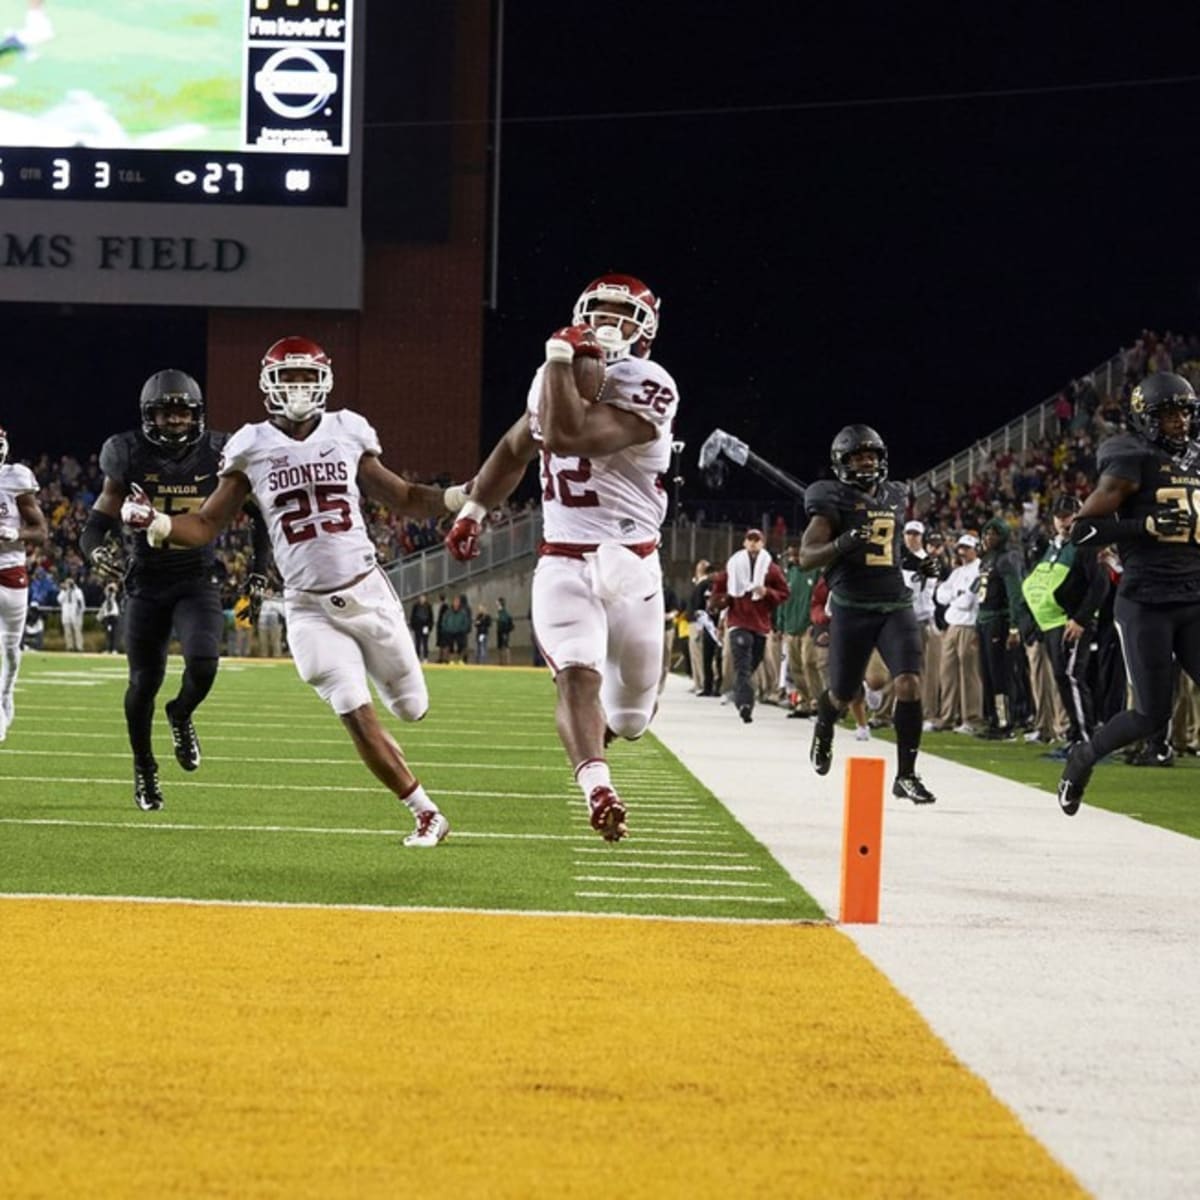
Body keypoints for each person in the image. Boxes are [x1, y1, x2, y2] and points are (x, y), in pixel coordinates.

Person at [121, 335, 454, 848]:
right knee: (352, 708)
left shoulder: (347, 431)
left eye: (306, 377)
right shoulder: (251, 445)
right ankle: (424, 811)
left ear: (324, 381)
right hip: (306, 606)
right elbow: (208, 523)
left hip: (367, 592)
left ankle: (408, 736)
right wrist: (159, 522)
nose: (297, 388)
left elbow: (405, 496)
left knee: (412, 708)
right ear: (267, 384)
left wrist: (458, 498)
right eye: (288, 378)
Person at [443, 273, 678, 842]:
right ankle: (598, 787)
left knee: (630, 718)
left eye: (624, 314)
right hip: (564, 559)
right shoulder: (551, 380)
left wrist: (556, 359)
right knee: (575, 674)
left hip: (633, 564)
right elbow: (513, 448)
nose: (610, 322)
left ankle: (607, 738)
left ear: (645, 329)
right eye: (600, 311)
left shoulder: (650, 383)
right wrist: (474, 509)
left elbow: (570, 436)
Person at [80, 369, 270, 811]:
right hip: (145, 582)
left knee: (204, 666)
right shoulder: (125, 454)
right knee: (143, 683)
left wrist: (260, 573)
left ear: (197, 415)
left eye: (183, 414)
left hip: (195, 577)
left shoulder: (221, 453)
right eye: (166, 414)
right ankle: (144, 767)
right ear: (150, 417)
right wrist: (95, 553)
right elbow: (95, 525)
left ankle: (181, 713)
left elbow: (259, 516)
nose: (175, 422)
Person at [1057, 372, 1200, 815]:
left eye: (1184, 412)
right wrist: (1146, 526)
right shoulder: (1130, 456)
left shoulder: (1196, 459)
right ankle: (1083, 757)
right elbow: (1081, 531)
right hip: (1146, 601)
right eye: (1168, 414)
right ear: (1144, 418)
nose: (1179, 421)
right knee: (1150, 714)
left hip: (1194, 594)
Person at [798, 424, 938, 803]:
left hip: (896, 603)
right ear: (842, 463)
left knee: (908, 681)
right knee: (843, 693)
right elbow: (807, 556)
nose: (867, 462)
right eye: (859, 456)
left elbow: (887, 545)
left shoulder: (894, 494)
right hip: (852, 606)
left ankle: (906, 775)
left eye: (872, 455)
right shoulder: (830, 499)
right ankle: (825, 723)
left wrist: (918, 562)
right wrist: (842, 543)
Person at [1020, 493, 1109, 750]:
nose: (1063, 521)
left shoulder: (1086, 544)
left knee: (1071, 676)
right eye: (1059, 517)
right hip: (1052, 623)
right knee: (1063, 676)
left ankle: (1085, 738)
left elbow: (1100, 584)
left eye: (1068, 516)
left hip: (1071, 622)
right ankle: (1076, 734)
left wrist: (1080, 619)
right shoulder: (1054, 546)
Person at [709, 530, 789, 723]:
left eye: (757, 540)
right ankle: (745, 705)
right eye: (750, 540)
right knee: (743, 664)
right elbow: (716, 595)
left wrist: (767, 592)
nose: (753, 544)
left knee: (753, 661)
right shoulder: (733, 566)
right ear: (744, 542)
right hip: (738, 621)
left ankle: (739, 690)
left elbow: (784, 593)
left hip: (760, 624)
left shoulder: (771, 568)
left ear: (763, 543)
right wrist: (724, 599)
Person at [0, 425, 48, 740]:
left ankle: (6, 696)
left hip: (11, 570)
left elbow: (41, 532)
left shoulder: (16, 478)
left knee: (11, 649)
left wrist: (15, 533)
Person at [975, 516, 1025, 739]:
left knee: (1000, 674)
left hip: (999, 620)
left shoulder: (1007, 558)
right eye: (986, 533)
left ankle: (1005, 722)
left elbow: (1015, 594)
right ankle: (994, 719)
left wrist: (1014, 626)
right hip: (984, 620)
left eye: (994, 533)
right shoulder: (987, 559)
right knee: (987, 674)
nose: (988, 537)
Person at [58, 576, 85, 650]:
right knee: (67, 631)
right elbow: (59, 600)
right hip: (66, 611)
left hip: (75, 612)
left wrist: (80, 611)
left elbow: (80, 601)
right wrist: (64, 591)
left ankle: (79, 647)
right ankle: (69, 647)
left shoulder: (78, 591)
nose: (68, 585)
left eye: (69, 583)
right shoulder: (64, 591)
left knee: (77, 631)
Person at [98, 581, 121, 654]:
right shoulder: (106, 597)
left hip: (114, 615)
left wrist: (115, 589)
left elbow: (119, 595)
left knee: (115, 633)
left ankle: (114, 649)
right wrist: (107, 589)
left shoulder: (116, 596)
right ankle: (108, 649)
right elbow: (101, 599)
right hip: (107, 616)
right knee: (108, 633)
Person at [409, 593, 432, 662]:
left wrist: (429, 626)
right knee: (418, 642)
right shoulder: (416, 606)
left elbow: (431, 617)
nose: (422, 599)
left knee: (425, 642)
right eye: (421, 598)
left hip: (425, 627)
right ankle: (417, 657)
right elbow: (412, 616)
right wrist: (413, 625)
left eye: (423, 598)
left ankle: (425, 657)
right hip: (418, 627)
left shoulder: (428, 606)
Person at [495, 596, 514, 665]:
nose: (496, 603)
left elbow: (504, 622)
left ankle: (507, 661)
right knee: (500, 647)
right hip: (500, 631)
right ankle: (501, 661)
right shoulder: (499, 612)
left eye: (497, 602)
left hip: (504, 632)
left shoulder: (504, 613)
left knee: (506, 646)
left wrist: (505, 632)